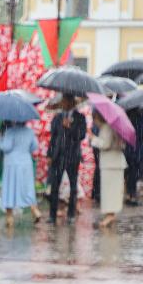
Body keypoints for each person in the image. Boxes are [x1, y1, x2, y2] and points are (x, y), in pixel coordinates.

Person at [46, 94, 86, 223]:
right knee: (54, 187)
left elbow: (81, 135)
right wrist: (49, 154)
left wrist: (70, 127)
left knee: (73, 186)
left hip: (72, 156)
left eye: (64, 101)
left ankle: (71, 215)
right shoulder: (57, 117)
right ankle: (52, 216)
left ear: (70, 102)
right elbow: (53, 138)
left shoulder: (80, 117)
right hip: (58, 156)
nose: (62, 103)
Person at [0, 120, 42, 227]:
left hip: (12, 163)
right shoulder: (30, 132)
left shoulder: (10, 132)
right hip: (26, 163)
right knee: (27, 187)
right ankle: (35, 210)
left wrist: (0, 139)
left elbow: (6, 148)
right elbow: (35, 146)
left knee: (10, 188)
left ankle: (9, 218)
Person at [91, 111, 127, 229]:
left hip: (110, 163)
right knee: (113, 191)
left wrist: (93, 139)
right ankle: (110, 214)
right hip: (115, 163)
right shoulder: (115, 128)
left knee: (109, 191)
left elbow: (105, 144)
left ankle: (110, 214)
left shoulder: (107, 128)